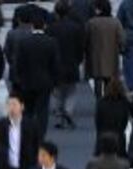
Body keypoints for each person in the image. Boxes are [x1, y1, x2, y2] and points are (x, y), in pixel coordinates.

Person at [16, 12, 60, 139]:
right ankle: (40, 136)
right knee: (42, 110)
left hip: (27, 81)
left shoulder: (24, 42)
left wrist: (20, 79)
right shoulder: (51, 42)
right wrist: (55, 81)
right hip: (45, 81)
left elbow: (19, 63)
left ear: (32, 26)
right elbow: (55, 64)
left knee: (28, 110)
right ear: (44, 26)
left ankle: (27, 133)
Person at [47, 0, 85, 129]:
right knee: (71, 91)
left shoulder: (51, 28)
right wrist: (78, 60)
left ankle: (58, 114)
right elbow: (81, 47)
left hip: (56, 64)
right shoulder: (76, 28)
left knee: (57, 92)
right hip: (71, 62)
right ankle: (68, 111)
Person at [85, 0, 125, 99]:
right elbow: (122, 39)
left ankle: (99, 101)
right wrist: (121, 49)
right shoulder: (115, 22)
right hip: (112, 56)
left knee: (97, 81)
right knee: (110, 80)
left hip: (95, 56)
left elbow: (86, 40)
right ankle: (108, 99)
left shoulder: (92, 23)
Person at [95, 78, 130, 158]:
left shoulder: (101, 103)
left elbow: (98, 123)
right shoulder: (124, 103)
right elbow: (125, 122)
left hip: (103, 135)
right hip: (119, 137)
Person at [4, 6, 33, 92]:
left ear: (18, 19)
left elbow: (7, 51)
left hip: (15, 70)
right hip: (31, 71)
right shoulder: (34, 34)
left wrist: (12, 62)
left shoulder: (12, 33)